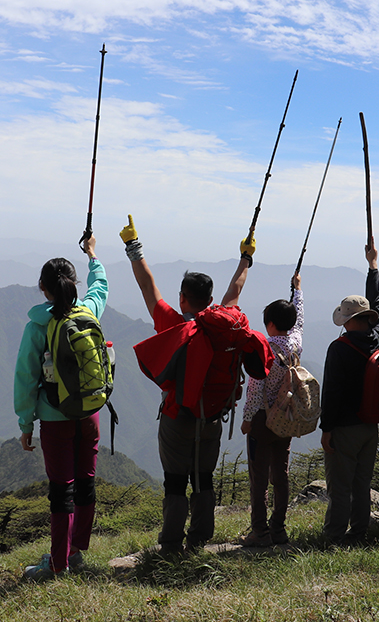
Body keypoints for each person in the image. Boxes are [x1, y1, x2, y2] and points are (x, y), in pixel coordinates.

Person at [121, 215, 271, 553]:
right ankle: (200, 540)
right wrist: (246, 257)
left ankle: (172, 544)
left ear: (184, 298)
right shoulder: (225, 325)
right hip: (213, 416)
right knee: (203, 479)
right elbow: (237, 287)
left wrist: (133, 246)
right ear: (210, 299)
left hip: (178, 416)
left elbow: (148, 286)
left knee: (175, 482)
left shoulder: (175, 324)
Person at [13, 235, 107, 580]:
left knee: (61, 490)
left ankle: (57, 564)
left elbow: (25, 378)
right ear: (73, 284)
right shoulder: (88, 310)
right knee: (85, 483)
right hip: (90, 411)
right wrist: (93, 255)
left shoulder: (38, 326)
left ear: (42, 287)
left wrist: (25, 423)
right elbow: (101, 287)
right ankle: (75, 551)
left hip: (55, 417)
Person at [320, 241, 379, 544]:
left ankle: (334, 535)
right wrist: (373, 267)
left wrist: (326, 429)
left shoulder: (340, 348)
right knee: (362, 482)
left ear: (347, 321)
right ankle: (359, 531)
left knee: (340, 485)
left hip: (345, 426)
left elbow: (331, 393)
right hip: (370, 425)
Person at [237, 272, 303, 547]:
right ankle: (279, 529)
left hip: (263, 421)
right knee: (281, 475)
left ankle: (259, 532)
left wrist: (247, 420)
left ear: (271, 324)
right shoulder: (296, 343)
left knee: (259, 478)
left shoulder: (264, 349)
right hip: (286, 419)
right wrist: (298, 291)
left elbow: (254, 390)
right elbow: (299, 320)